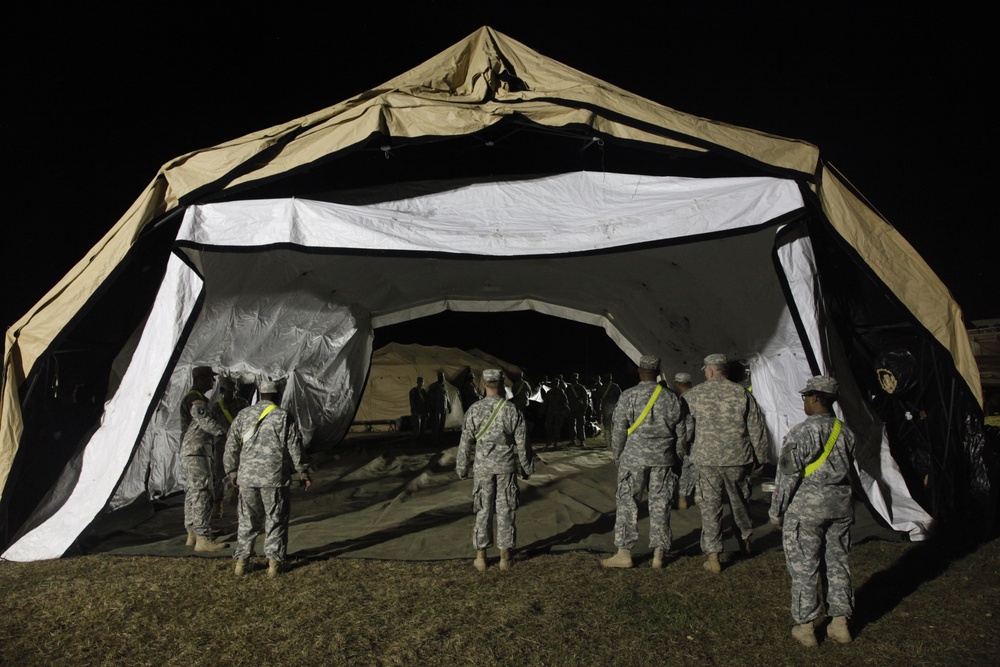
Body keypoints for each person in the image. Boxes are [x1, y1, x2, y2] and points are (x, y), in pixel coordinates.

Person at [769, 376, 857, 647]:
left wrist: (776, 510)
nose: (804, 401)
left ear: (816, 398)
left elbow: (787, 476)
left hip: (806, 509)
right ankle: (840, 624)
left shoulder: (801, 432)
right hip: (840, 506)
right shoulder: (846, 431)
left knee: (805, 566)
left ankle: (806, 627)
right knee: (838, 562)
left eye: (806, 396)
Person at [683, 353, 770, 573]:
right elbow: (756, 427)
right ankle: (745, 542)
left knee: (710, 505)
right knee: (739, 502)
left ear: (710, 371)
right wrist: (761, 457)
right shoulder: (741, 393)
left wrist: (686, 451)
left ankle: (713, 556)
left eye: (705, 370)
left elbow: (684, 429)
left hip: (706, 459)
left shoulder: (694, 395)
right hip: (737, 458)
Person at [602, 355, 686, 569]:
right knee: (661, 503)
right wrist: (676, 455)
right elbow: (681, 432)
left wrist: (617, 455)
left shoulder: (628, 396)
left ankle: (624, 552)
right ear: (658, 372)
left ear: (640, 371)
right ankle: (659, 553)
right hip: (663, 458)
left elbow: (619, 429)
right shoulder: (671, 397)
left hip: (634, 459)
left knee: (628, 502)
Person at [224, 379, 311, 578]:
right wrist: (302, 471)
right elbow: (295, 447)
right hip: (274, 478)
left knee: (247, 520)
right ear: (277, 395)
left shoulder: (243, 415)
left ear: (260, 394)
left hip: (247, 478)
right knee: (276, 519)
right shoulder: (282, 416)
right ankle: (274, 564)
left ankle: (241, 563)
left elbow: (231, 445)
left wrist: (232, 472)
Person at [456, 369, 534, 572]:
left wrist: (462, 468)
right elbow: (522, 443)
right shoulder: (511, 410)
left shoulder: (473, 410)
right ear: (501, 384)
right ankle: (504, 557)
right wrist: (526, 467)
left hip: (483, 469)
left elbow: (465, 442)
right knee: (506, 509)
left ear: (483, 384)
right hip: (506, 468)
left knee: (483, 510)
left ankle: (481, 557)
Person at [180, 365, 228, 552]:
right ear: (200, 378)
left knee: (193, 491)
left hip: (192, 450)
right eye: (210, 378)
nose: (213, 381)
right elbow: (204, 421)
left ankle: (192, 533)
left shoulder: (195, 397)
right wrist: (223, 432)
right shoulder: (196, 398)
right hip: (196, 449)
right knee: (202, 491)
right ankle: (202, 537)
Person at [209, 376, 250, 517]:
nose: (231, 393)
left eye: (233, 391)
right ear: (222, 391)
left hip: (239, 444)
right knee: (219, 474)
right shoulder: (216, 408)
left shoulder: (243, 404)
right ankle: (217, 505)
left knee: (241, 472)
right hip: (221, 446)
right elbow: (210, 427)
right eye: (228, 391)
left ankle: (240, 501)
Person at [673, 372, 697, 510]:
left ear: (678, 384)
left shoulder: (682, 400)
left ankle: (682, 497)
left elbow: (687, 425)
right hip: (704, 440)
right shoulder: (700, 395)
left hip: (690, 441)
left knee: (685, 469)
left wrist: (682, 443)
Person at [597, 372, 622, 449]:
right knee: (615, 426)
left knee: (607, 426)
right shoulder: (615, 386)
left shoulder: (602, 387)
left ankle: (608, 443)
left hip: (605, 408)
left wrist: (598, 409)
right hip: (614, 408)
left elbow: (598, 399)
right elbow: (620, 397)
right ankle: (615, 442)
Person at [542, 377, 570, 449]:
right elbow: (545, 403)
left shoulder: (561, 392)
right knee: (547, 426)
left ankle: (555, 443)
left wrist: (567, 410)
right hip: (551, 412)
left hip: (559, 412)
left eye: (557, 383)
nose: (555, 385)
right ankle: (551, 438)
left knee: (557, 428)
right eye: (554, 383)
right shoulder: (549, 393)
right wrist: (542, 411)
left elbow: (565, 402)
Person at [566, 372, 590, 447]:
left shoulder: (581, 388)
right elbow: (565, 399)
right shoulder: (568, 388)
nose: (574, 379)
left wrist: (584, 408)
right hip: (571, 409)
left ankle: (582, 441)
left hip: (579, 409)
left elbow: (586, 399)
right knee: (571, 425)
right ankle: (572, 440)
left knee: (580, 425)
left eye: (575, 378)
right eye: (573, 378)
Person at [427, 371, 452, 442]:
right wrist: (432, 407)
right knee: (436, 424)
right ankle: (435, 438)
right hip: (436, 408)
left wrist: (449, 406)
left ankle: (440, 438)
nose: (442, 378)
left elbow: (447, 397)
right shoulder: (433, 386)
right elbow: (431, 397)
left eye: (443, 377)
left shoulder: (445, 386)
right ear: (438, 377)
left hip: (444, 407)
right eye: (441, 377)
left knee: (442, 424)